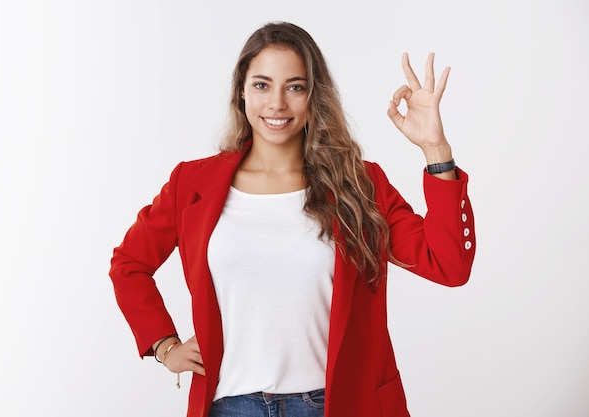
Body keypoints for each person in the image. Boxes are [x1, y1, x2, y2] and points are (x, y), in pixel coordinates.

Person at [109, 21, 475, 417]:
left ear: (314, 96)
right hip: (232, 406)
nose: (277, 103)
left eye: (295, 86)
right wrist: (165, 346)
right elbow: (129, 264)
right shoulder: (192, 183)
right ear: (242, 92)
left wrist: (436, 149)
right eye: (262, 85)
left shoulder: (359, 183)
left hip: (336, 405)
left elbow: (448, 265)